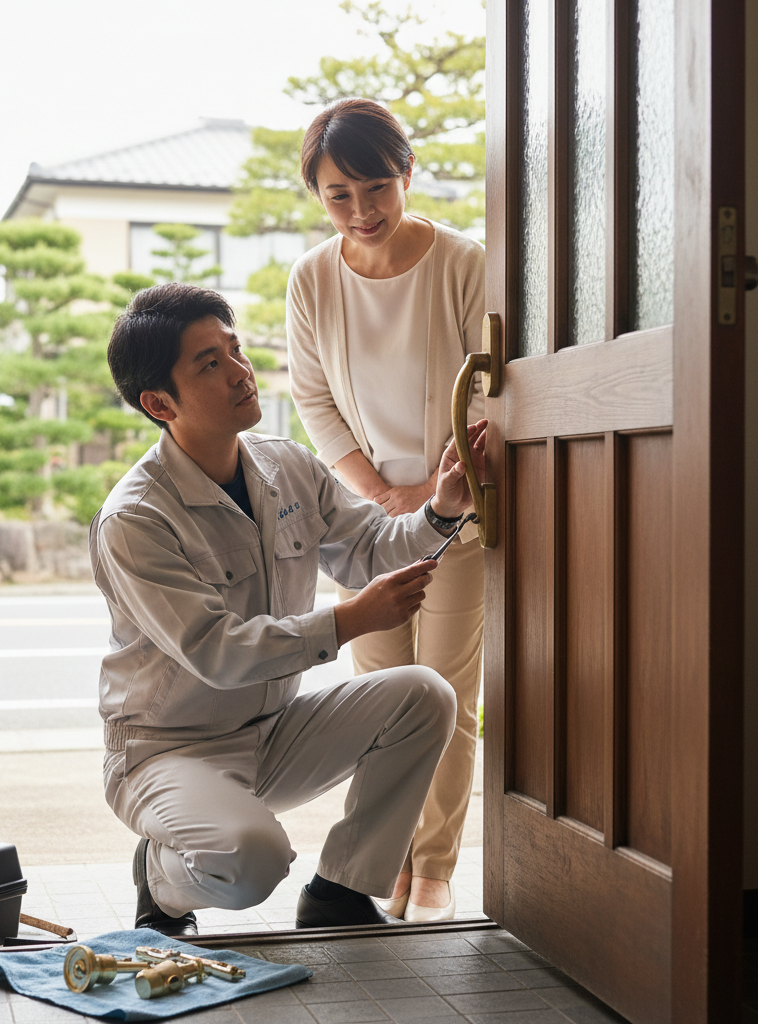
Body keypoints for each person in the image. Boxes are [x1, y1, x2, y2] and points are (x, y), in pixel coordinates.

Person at [92, 282, 487, 936]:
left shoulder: (286, 465)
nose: (241, 373)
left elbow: (369, 547)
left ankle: (341, 890)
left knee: (426, 694)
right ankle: (160, 881)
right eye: (210, 365)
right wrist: (351, 621)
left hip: (271, 732)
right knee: (253, 862)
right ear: (159, 402)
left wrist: (444, 507)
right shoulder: (135, 518)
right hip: (167, 753)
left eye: (235, 349)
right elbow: (217, 650)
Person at [286, 97, 486, 922]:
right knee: (381, 697)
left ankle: (433, 869)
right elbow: (313, 398)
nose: (361, 211)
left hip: (463, 516)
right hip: (368, 530)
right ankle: (383, 868)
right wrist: (384, 495)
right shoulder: (312, 278)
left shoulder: (463, 262)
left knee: (443, 690)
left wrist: (437, 494)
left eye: (376, 187)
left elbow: (490, 386)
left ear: (406, 174)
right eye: (340, 194)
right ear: (318, 194)